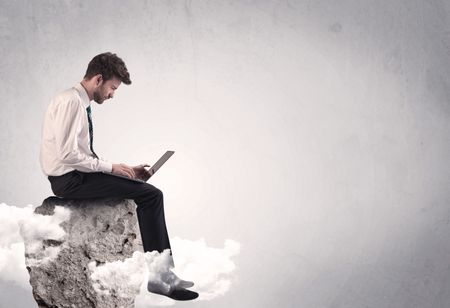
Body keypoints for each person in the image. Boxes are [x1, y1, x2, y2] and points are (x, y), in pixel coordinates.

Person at [39, 52, 198, 301]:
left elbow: (80, 153)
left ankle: (164, 275)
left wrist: (125, 171)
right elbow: (68, 155)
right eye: (113, 88)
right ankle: (160, 279)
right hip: (69, 180)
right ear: (98, 79)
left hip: (76, 175)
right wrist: (112, 168)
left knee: (140, 186)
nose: (113, 94)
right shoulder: (71, 102)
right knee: (151, 196)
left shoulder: (78, 102)